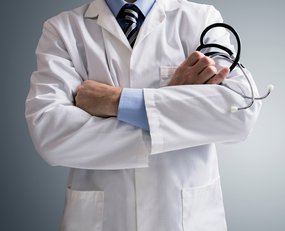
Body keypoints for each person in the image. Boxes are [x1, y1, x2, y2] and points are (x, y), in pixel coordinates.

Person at [25, 0, 261, 230]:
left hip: (187, 220)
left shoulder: (201, 19)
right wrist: (178, 112)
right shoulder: (63, 29)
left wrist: (116, 102)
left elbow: (239, 110)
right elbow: (51, 133)